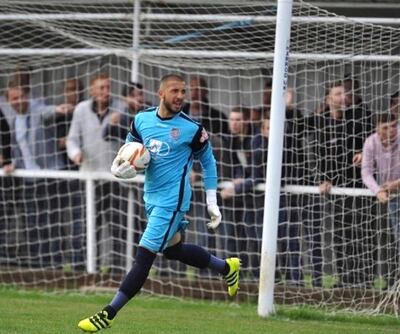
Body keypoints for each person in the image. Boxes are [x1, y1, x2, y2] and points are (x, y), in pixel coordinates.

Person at [78, 74, 240, 333]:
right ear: (161, 93)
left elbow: (209, 162)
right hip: (151, 197)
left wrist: (212, 200)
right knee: (174, 251)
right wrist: (124, 164)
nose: (180, 97)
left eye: (183, 92)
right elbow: (130, 148)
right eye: (175, 91)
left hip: (172, 202)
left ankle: (107, 314)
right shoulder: (142, 120)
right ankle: (226, 267)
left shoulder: (192, 128)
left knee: (144, 256)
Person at [66, 73, 127, 270]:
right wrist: (75, 154)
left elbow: (133, 141)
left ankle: (117, 271)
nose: (105, 92)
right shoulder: (81, 110)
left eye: (108, 87)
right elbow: (72, 139)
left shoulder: (120, 109)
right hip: (90, 178)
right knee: (88, 226)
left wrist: (120, 124)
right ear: (92, 90)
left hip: (115, 179)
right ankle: (85, 268)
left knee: (118, 228)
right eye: (101, 88)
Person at [361, 112, 400, 284]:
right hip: (386, 194)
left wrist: (396, 184)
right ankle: (391, 282)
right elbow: (366, 172)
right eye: (386, 127)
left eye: (393, 125)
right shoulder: (371, 142)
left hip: (396, 188)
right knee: (387, 239)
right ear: (377, 129)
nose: (391, 130)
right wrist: (378, 190)